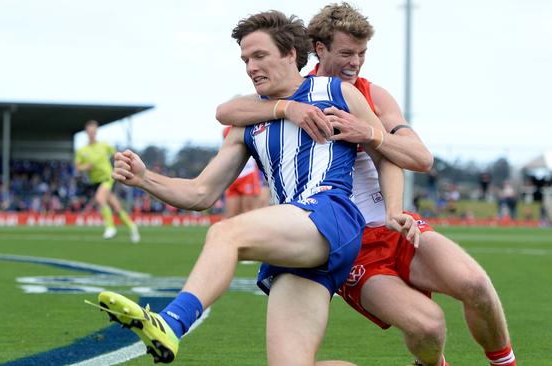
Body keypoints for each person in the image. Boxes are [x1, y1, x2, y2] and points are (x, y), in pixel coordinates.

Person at [90, 11, 418, 365]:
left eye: (259, 55)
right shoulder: (248, 120)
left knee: (226, 234)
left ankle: (171, 322)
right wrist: (144, 179)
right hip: (295, 242)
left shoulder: (337, 92)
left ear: (291, 53)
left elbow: (384, 154)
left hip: (332, 214)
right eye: (246, 59)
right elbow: (201, 193)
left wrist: (393, 210)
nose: (250, 66)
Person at [216, 3, 516, 366]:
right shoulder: (290, 90)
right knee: (427, 327)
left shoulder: (372, 94)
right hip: (347, 240)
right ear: (320, 49)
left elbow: (419, 158)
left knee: (476, 286)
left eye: (362, 53)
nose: (355, 62)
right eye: (346, 53)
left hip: (393, 223)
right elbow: (227, 111)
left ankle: (505, 363)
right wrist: (287, 109)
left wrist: (370, 134)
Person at [75, 120, 140, 242]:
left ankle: (110, 227)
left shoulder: (104, 145)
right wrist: (86, 167)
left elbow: (117, 154)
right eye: (89, 131)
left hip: (108, 177)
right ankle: (132, 226)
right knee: (116, 207)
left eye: (94, 131)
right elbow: (78, 167)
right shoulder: (82, 150)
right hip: (95, 182)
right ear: (86, 132)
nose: (92, 133)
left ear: (96, 132)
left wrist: (124, 163)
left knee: (100, 199)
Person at [221, 125, 261, 218]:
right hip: (232, 176)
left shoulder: (251, 126)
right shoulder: (227, 130)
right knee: (230, 215)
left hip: (248, 174)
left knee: (248, 213)